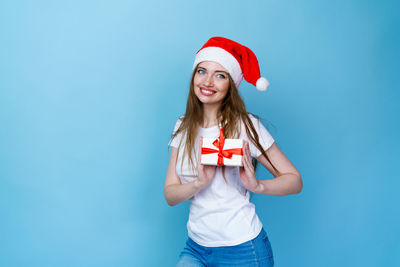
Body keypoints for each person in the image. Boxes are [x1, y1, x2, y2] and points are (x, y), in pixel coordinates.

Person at [164, 37, 302, 267]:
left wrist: (257, 186)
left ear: (231, 84)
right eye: (202, 71)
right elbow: (170, 194)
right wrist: (198, 183)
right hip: (196, 247)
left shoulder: (245, 126)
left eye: (220, 75)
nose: (207, 81)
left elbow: (294, 181)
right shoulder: (183, 125)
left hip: (243, 249)